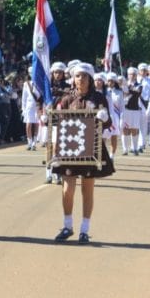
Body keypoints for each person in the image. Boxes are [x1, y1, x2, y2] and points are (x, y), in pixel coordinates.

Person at [51, 63, 115, 244]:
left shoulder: (99, 98)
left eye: (84, 76)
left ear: (90, 79)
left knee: (87, 189)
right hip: (69, 149)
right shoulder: (66, 98)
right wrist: (48, 118)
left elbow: (108, 122)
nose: (81, 79)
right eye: (78, 76)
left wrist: (105, 118)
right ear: (73, 79)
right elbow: (58, 122)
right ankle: (67, 226)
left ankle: (84, 229)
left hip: (90, 148)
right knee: (67, 189)